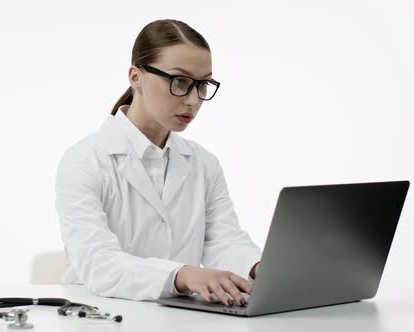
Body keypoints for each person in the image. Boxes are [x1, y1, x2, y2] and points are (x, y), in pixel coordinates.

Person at [55, 19, 261, 308]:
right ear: (136, 77)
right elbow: (98, 264)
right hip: (102, 315)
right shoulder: (84, 160)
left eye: (203, 85)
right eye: (180, 82)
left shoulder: (204, 164)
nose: (193, 100)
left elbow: (223, 241)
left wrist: (259, 268)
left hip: (181, 317)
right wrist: (181, 275)